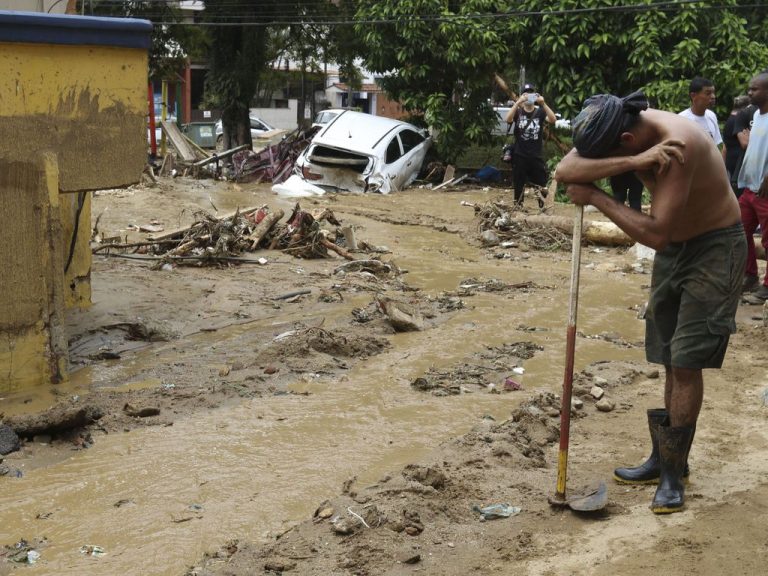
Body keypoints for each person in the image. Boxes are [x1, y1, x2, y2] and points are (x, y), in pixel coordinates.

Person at [555, 91, 745, 514]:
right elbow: (565, 169)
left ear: (625, 137)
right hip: (675, 250)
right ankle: (664, 457)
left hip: (714, 249)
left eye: (618, 155)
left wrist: (600, 197)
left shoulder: (678, 147)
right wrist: (634, 162)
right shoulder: (617, 125)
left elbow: (656, 233)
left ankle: (673, 475)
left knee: (685, 359)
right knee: (665, 352)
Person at [737, 72, 768, 301]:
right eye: (749, 89)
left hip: (766, 191)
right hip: (749, 187)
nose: (749, 93)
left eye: (754, 89)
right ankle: (749, 275)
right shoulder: (756, 115)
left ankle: (767, 288)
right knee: (737, 229)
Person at [504, 83, 556, 208]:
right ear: (522, 96)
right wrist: (517, 102)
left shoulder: (540, 112)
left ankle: (543, 208)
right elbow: (508, 119)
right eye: (525, 94)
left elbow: (553, 120)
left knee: (541, 184)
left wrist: (543, 103)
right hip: (519, 155)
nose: (529, 97)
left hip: (536, 156)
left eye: (531, 94)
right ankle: (518, 208)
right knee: (518, 184)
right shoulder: (518, 112)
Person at [678, 77, 723, 148]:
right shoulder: (682, 119)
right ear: (693, 96)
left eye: (713, 93)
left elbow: (716, 147)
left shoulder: (711, 116)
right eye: (708, 93)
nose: (713, 97)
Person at [723, 95, 751, 195]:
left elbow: (725, 146)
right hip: (738, 163)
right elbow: (744, 143)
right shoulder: (739, 120)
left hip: (730, 161)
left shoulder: (729, 119)